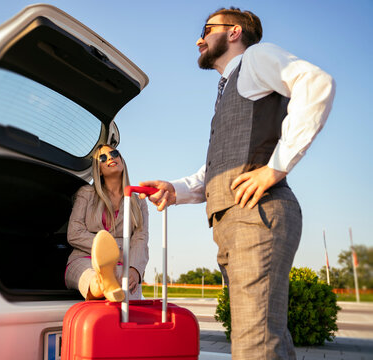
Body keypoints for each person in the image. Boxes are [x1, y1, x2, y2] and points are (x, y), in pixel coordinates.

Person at [140, 7, 335, 360]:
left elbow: (316, 83)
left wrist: (276, 167)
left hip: (256, 215)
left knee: (254, 343)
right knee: (262, 335)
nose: (199, 38)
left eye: (207, 29)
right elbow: (222, 164)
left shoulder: (256, 57)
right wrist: (177, 189)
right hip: (235, 221)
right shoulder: (231, 85)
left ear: (233, 33)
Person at [65, 144, 149, 302]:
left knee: (128, 290)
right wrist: (110, 251)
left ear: (122, 161)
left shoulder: (138, 200)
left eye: (114, 153)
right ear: (99, 170)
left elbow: (141, 237)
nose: (110, 157)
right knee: (93, 279)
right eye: (103, 158)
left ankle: (110, 282)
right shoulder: (86, 194)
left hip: (125, 263)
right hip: (86, 257)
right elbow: (74, 232)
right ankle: (104, 282)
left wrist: (135, 270)